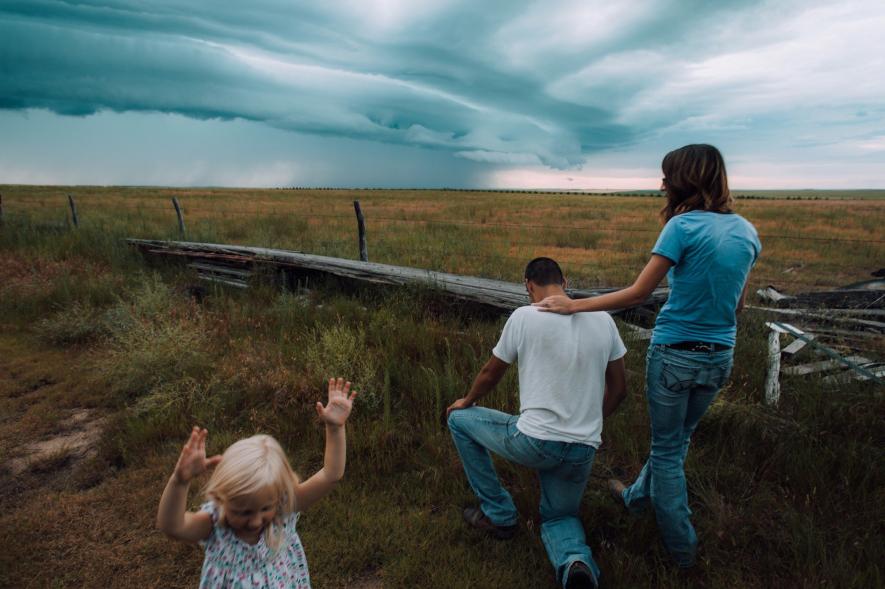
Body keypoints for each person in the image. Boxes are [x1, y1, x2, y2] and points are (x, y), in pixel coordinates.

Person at [534, 144, 761, 568]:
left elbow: (639, 292)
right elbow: (739, 306)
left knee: (670, 452)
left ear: (685, 180)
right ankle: (637, 498)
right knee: (677, 440)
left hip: (676, 354)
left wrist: (573, 305)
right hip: (719, 356)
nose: (661, 184)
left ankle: (683, 552)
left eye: (666, 176)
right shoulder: (747, 231)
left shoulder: (682, 226)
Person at [447, 257, 628, 589]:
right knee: (561, 516)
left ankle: (500, 516)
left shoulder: (524, 316)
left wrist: (467, 401)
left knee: (459, 421)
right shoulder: (603, 319)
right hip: (582, 448)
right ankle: (576, 563)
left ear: (528, 285)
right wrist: (590, 423)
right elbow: (620, 389)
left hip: (535, 441)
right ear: (565, 281)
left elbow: (491, 372)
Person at [156, 377, 357, 588]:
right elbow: (172, 527)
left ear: (279, 495)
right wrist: (179, 482)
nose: (254, 521)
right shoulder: (214, 524)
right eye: (242, 512)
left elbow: (331, 475)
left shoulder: (284, 508)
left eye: (264, 509)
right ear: (221, 499)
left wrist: (334, 429)